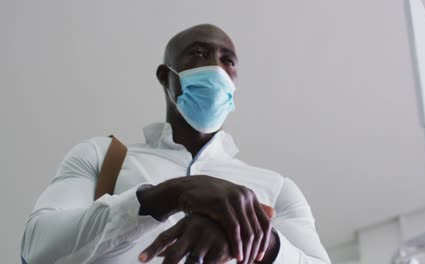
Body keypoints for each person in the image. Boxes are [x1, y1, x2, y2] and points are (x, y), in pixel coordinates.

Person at [20, 24, 331, 264]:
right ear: (165, 76)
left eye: (228, 60)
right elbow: (36, 249)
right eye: (198, 53)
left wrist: (252, 237)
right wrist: (164, 197)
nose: (216, 68)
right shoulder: (103, 158)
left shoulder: (276, 189)